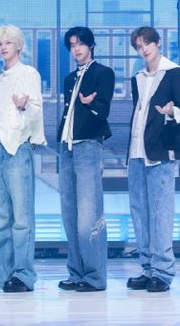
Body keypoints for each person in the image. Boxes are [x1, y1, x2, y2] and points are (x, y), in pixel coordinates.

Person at [0, 25, 46, 293]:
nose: (3, 47)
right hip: (0, 149)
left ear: (19, 46)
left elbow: (36, 112)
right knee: (0, 217)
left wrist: (24, 106)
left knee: (22, 218)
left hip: (20, 148)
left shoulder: (29, 74)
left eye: (8, 42)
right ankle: (0, 272)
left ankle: (24, 275)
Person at [126, 26, 180, 292]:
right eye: (139, 46)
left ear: (157, 43)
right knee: (140, 213)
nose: (144, 50)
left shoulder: (175, 73)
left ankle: (163, 272)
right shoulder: (138, 77)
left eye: (147, 44)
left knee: (160, 212)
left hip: (161, 152)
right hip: (136, 152)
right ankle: (147, 268)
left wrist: (170, 111)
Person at [56, 26, 115, 292]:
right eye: (71, 45)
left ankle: (94, 277)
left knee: (88, 215)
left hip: (88, 146)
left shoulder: (103, 73)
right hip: (66, 147)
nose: (76, 49)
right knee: (69, 213)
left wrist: (90, 103)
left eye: (80, 43)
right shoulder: (70, 78)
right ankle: (76, 272)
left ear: (90, 45)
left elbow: (103, 111)